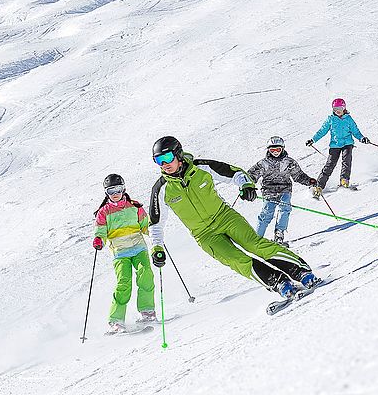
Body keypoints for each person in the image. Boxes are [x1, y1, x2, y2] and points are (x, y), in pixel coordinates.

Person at [148, 136, 319, 300]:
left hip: (225, 217)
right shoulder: (161, 189)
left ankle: (301, 272)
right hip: (204, 234)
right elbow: (155, 224)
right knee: (237, 261)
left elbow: (234, 173)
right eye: (158, 160)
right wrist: (157, 248)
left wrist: (246, 185)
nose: (164, 164)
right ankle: (279, 283)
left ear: (178, 154)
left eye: (167, 157)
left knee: (255, 244)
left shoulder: (201, 167)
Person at [93, 174, 156, 334]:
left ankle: (147, 311)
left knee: (146, 275)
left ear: (124, 189)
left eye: (118, 189)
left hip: (139, 248)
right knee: (124, 283)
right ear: (106, 193)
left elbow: (145, 225)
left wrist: (153, 232)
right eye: (111, 190)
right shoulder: (103, 212)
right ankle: (116, 320)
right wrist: (99, 239)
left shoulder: (135, 207)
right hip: (120, 253)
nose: (115, 193)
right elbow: (100, 231)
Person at [247, 136, 317, 246]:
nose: (275, 152)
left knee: (285, 209)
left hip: (285, 189)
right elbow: (251, 175)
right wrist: (247, 185)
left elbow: (298, 175)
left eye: (278, 150)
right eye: (272, 150)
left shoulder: (289, 162)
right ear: (268, 150)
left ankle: (279, 234)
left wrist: (309, 181)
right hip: (269, 190)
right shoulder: (263, 163)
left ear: (282, 149)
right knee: (267, 212)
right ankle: (257, 238)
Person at [306, 98, 370, 199]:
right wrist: (313, 140)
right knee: (330, 164)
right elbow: (322, 131)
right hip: (335, 145)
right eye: (335, 108)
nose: (337, 111)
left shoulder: (348, 119)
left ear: (344, 108)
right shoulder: (330, 119)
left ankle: (344, 180)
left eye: (340, 108)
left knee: (346, 161)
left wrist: (361, 138)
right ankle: (319, 186)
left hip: (347, 144)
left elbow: (355, 131)